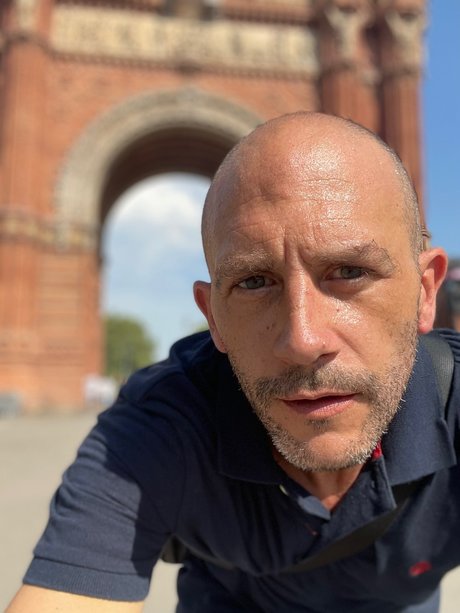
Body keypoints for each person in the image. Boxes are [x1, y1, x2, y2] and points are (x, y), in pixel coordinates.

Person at [7, 112, 459, 613]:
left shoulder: (453, 399)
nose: (302, 340)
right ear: (213, 318)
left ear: (425, 293)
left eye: (349, 271)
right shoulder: (162, 427)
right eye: (254, 282)